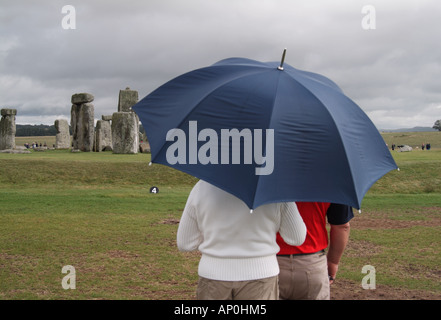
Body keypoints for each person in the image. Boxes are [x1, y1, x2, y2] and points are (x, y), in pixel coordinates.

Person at [177, 180, 307, 300]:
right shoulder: (275, 187)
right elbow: (296, 237)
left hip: (213, 276)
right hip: (261, 275)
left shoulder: (202, 186)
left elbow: (185, 243)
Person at [276, 202, 353, 300]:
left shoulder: (265, 186)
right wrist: (333, 262)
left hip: (272, 261)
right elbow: (342, 226)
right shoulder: (332, 186)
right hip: (312, 263)